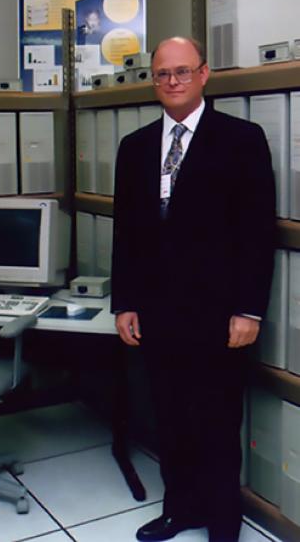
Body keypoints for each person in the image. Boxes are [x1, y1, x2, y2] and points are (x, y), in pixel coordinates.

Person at [110, 37, 276, 542]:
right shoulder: (135, 147)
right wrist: (125, 303)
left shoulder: (242, 139)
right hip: (158, 312)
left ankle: (223, 523)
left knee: (217, 421)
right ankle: (179, 508)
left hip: (219, 312)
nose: (173, 81)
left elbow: (256, 230)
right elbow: (127, 234)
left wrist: (249, 309)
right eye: (163, 74)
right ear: (153, 81)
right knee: (170, 418)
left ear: (205, 75)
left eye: (183, 71)